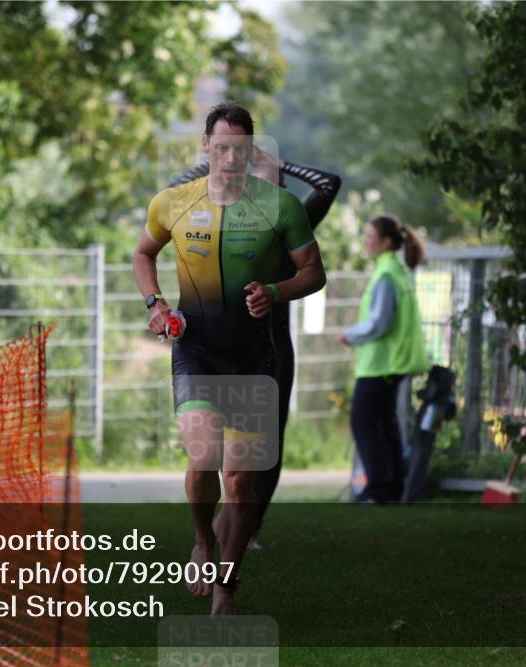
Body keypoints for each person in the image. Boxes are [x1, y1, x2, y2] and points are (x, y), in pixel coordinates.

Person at [134, 102, 326, 614]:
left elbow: (313, 272)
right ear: (206, 146)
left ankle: (226, 586)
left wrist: (275, 292)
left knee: (240, 481)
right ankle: (202, 541)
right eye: (221, 148)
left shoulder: (280, 206)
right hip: (196, 348)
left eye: (240, 150)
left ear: (251, 150)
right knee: (203, 458)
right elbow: (143, 253)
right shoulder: (173, 202)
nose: (230, 158)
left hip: (252, 353)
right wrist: (155, 304)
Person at [169, 151, 341, 544]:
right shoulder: (228, 220)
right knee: (216, 443)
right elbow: (173, 193)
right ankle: (216, 528)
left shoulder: (290, 219)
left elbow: (328, 183)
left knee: (267, 442)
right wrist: (215, 162)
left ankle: (249, 525)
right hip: (221, 346)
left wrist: (282, 161)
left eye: (270, 181)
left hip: (273, 347)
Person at [338, 214, 427, 503]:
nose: (366, 242)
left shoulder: (387, 274)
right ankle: (392, 487)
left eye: (370, 237)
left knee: (363, 422)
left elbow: (379, 323)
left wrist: (350, 334)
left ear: (386, 242)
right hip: (391, 362)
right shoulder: (398, 270)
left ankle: (377, 489)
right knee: (385, 423)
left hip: (381, 363)